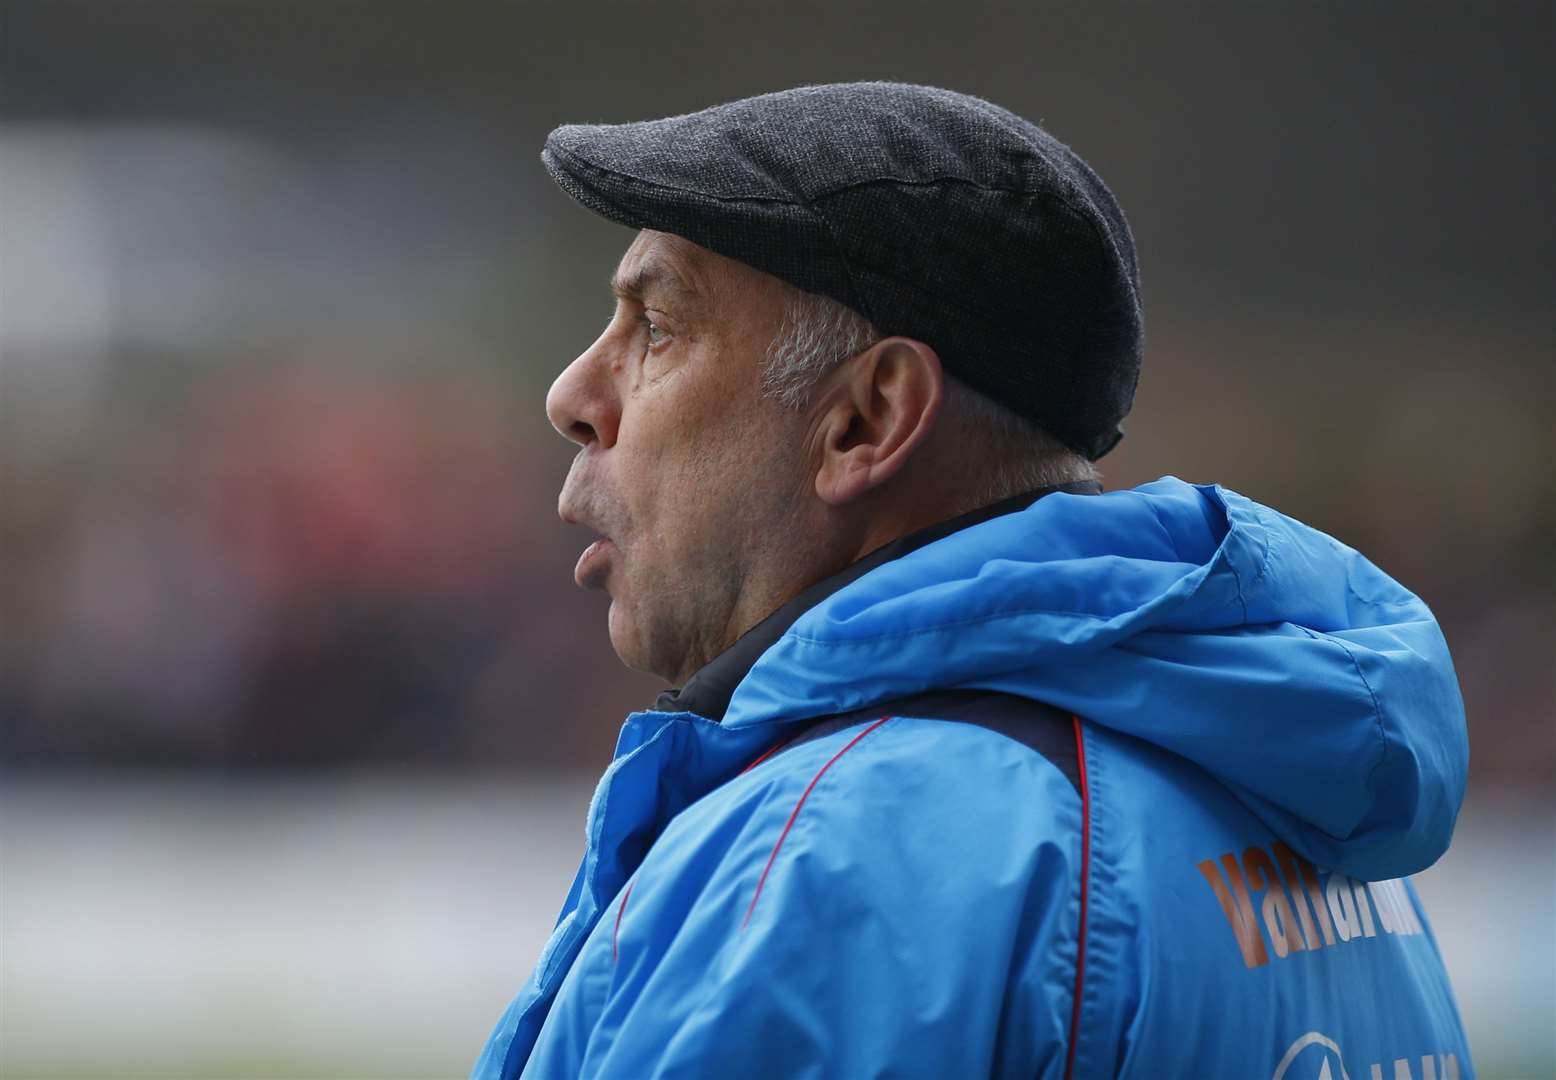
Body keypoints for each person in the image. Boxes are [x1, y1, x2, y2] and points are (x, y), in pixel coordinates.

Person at [474, 83, 1473, 1079]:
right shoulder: (1303, 813)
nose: (572, 395)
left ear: (866, 419)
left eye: (654, 324)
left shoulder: (834, 854)